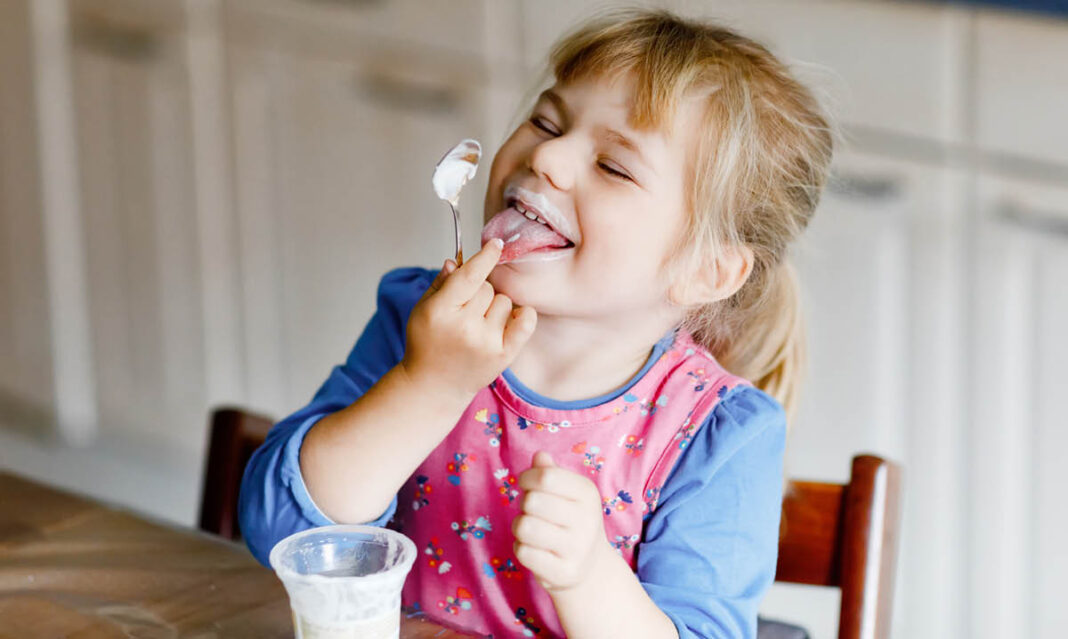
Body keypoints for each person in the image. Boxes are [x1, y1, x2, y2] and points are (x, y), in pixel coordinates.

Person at [239, 7, 835, 638]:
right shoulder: (424, 323)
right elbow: (280, 531)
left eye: (613, 166)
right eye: (547, 120)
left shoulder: (718, 436)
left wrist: (589, 578)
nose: (548, 155)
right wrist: (429, 384)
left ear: (706, 272)